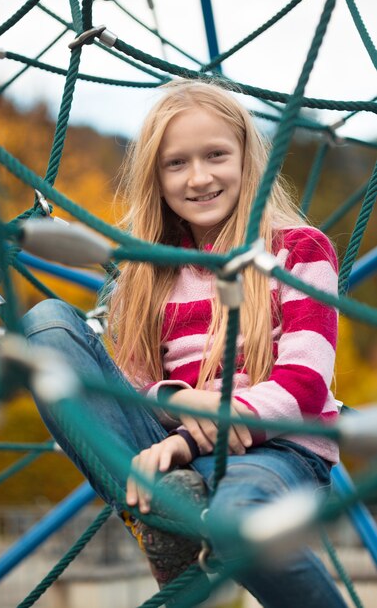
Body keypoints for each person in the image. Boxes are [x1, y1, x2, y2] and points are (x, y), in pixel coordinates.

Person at [23, 80, 348, 607]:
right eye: (177, 163)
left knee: (235, 519)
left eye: (216, 155)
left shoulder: (297, 251)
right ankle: (159, 510)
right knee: (47, 323)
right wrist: (174, 401)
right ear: (156, 176)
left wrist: (198, 436)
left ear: (247, 158)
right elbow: (132, 385)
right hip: (166, 450)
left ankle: (175, 508)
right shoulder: (146, 275)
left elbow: (306, 385)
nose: (199, 177)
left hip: (274, 449)